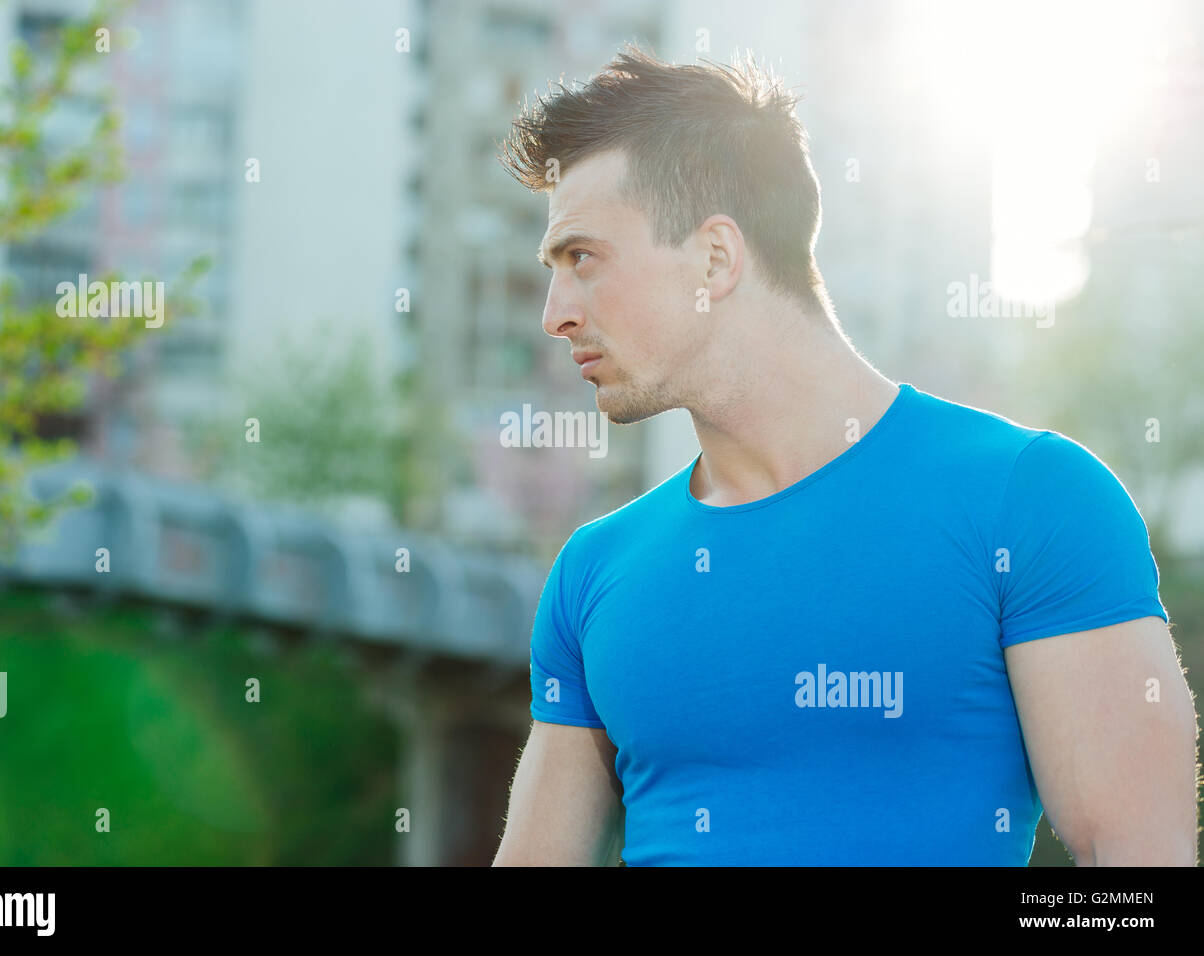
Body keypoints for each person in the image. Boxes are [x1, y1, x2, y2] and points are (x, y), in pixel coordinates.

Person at [491, 45, 1198, 866]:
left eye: (582, 258)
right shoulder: (593, 570)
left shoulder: (1031, 499)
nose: (554, 313)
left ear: (714, 259)